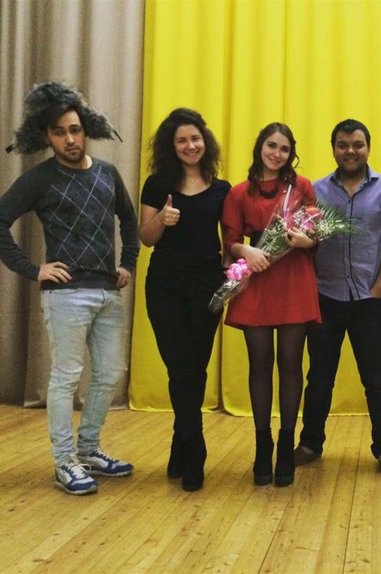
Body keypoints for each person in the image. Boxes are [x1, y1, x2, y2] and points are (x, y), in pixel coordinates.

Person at [0, 82, 140, 496]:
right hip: (66, 295)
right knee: (66, 378)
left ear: (86, 129)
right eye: (58, 132)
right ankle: (65, 461)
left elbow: (129, 220)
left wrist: (127, 264)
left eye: (74, 130)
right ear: (46, 137)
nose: (69, 139)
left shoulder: (107, 173)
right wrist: (34, 270)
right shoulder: (41, 179)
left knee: (109, 374)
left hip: (108, 292)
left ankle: (89, 449)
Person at [295, 119, 381, 477]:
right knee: (319, 377)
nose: (350, 151)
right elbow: (303, 238)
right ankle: (310, 443)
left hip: (368, 300)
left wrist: (379, 288)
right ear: (334, 149)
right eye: (343, 145)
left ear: (368, 148)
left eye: (357, 144)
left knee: (376, 380)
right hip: (324, 298)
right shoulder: (315, 191)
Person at [222, 123, 320, 487]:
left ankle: (286, 445)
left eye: (283, 148)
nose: (276, 153)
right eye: (271, 146)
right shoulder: (238, 193)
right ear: (259, 148)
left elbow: (315, 231)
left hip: (294, 278)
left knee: (291, 364)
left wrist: (306, 240)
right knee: (260, 364)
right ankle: (262, 444)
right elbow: (230, 240)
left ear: (291, 153)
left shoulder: (302, 186)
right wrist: (245, 250)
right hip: (258, 278)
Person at [138, 109, 230, 492]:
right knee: (180, 367)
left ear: (204, 142)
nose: (190, 146)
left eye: (195, 138)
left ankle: (181, 442)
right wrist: (161, 218)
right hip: (166, 287)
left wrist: (234, 278)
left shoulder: (222, 189)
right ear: (171, 146)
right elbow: (146, 237)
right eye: (182, 140)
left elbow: (231, 241)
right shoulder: (157, 185)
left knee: (196, 368)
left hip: (208, 287)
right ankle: (195, 450)